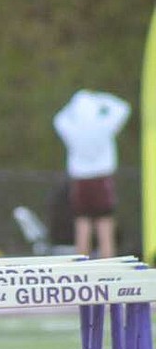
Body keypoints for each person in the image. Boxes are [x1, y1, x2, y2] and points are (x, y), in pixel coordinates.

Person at [53, 89, 131, 259]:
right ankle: (109, 266)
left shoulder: (72, 128)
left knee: (82, 225)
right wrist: (100, 99)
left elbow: (58, 119)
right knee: (105, 226)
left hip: (81, 181)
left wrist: (72, 106)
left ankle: (82, 269)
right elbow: (122, 108)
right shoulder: (104, 124)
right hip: (102, 180)